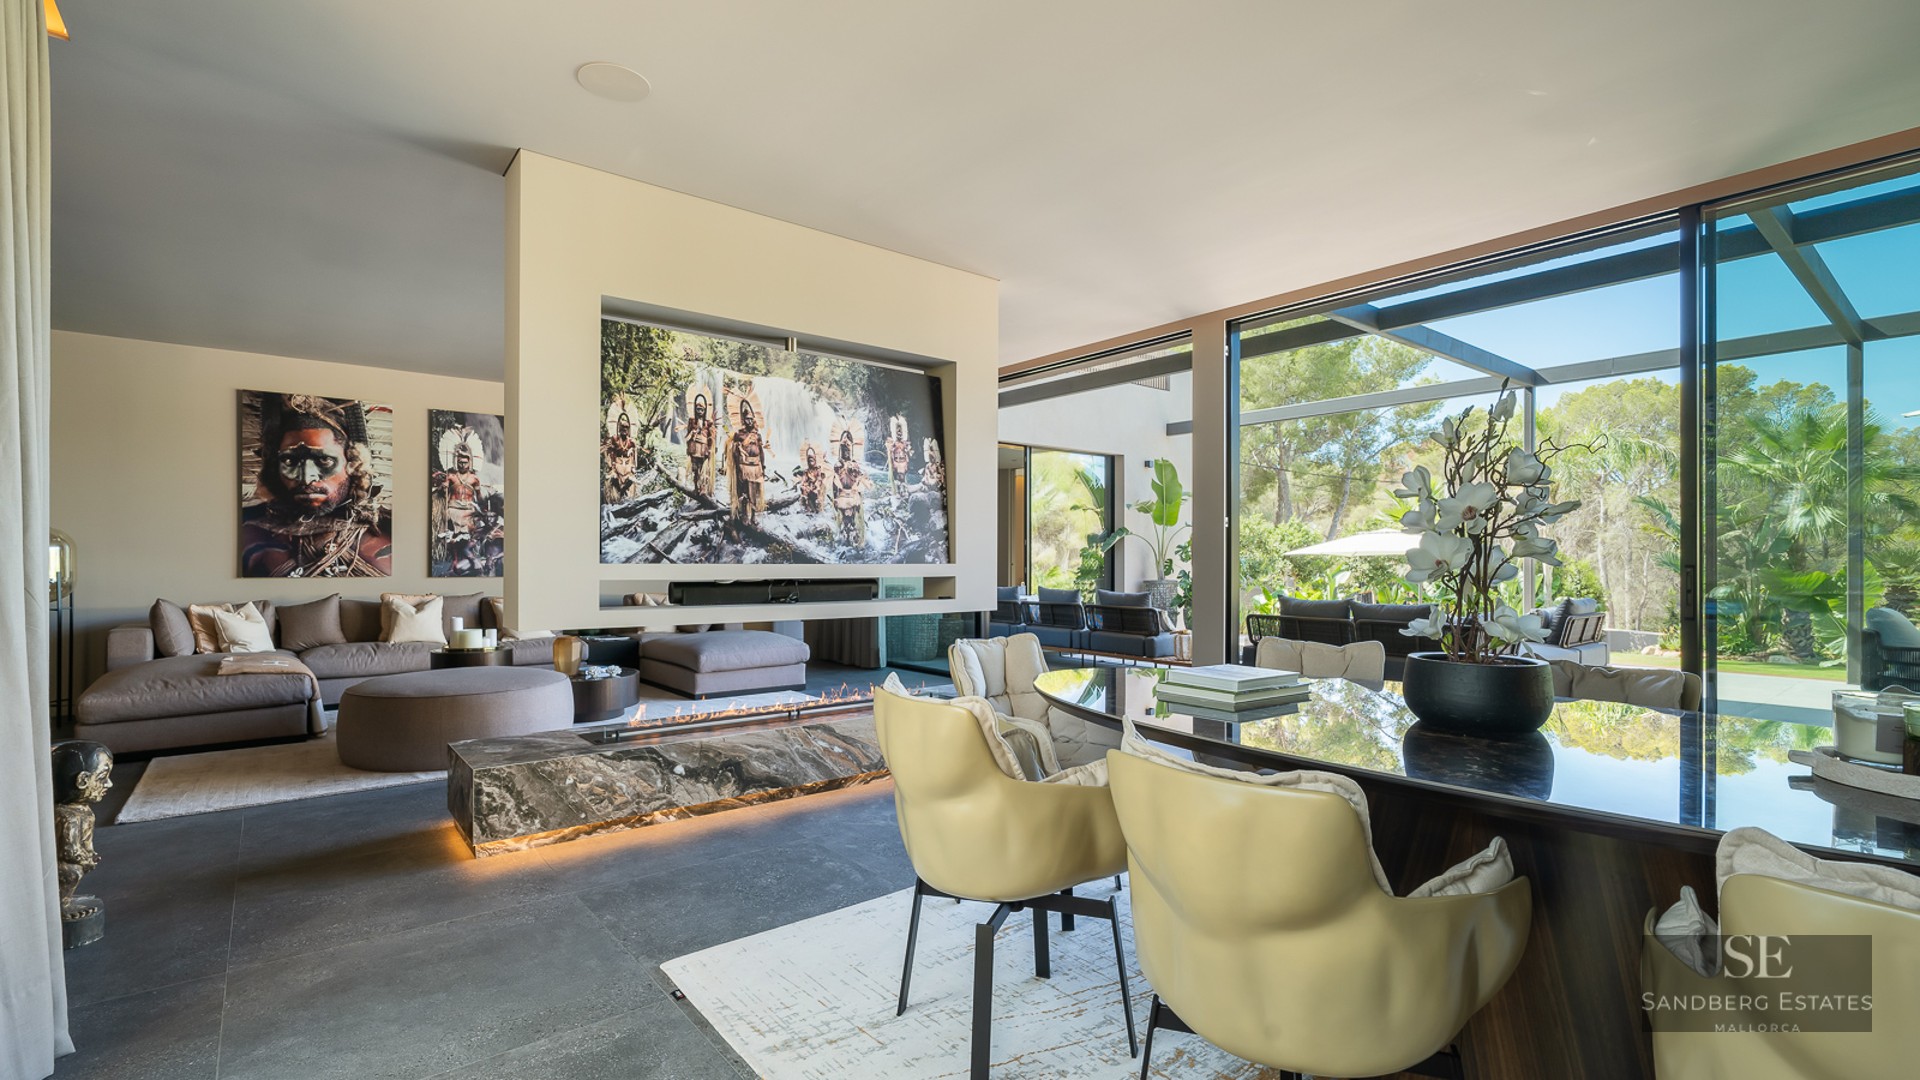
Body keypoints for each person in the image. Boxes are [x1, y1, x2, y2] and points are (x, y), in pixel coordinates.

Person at [239, 394, 392, 577]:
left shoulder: (390, 534)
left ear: (354, 464)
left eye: (324, 460)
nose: (306, 478)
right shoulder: (250, 538)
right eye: (290, 460)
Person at [431, 427, 501, 576]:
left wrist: (484, 507)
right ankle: (455, 561)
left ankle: (470, 559)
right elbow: (444, 490)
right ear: (456, 461)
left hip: (468, 510)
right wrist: (442, 488)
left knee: (469, 538)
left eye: (465, 462)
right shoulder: (451, 476)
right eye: (460, 462)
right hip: (452, 509)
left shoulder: (474, 479)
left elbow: (479, 496)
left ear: (470, 462)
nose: (463, 465)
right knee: (453, 539)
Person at [727, 398, 769, 525]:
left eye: (751, 419)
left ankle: (753, 517)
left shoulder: (757, 435)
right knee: (744, 491)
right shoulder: (739, 435)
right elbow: (734, 451)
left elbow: (761, 451)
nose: (749, 421)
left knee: (755, 492)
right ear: (743, 420)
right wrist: (737, 466)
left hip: (756, 467)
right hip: (744, 467)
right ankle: (744, 515)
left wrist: (763, 466)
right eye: (747, 419)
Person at [831, 429, 868, 546]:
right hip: (842, 496)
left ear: (851, 450)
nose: (846, 452)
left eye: (848, 449)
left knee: (852, 520)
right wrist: (835, 498)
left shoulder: (855, 466)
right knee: (844, 520)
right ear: (840, 450)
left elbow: (859, 482)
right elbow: (834, 484)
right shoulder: (838, 466)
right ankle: (843, 537)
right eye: (843, 449)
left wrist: (859, 498)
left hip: (852, 496)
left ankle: (855, 537)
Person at [682, 392, 717, 498]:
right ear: (695, 410)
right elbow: (687, 434)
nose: (700, 412)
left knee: (704, 469)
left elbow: (711, 437)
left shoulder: (708, 422)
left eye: (702, 410)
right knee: (695, 469)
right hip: (694, 448)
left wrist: (711, 448)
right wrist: (689, 446)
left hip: (703, 448)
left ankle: (703, 488)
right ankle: (696, 488)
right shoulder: (692, 421)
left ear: (705, 410)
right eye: (698, 410)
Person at [602, 410, 639, 506]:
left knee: (630, 479)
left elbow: (634, 454)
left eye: (626, 428)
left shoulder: (631, 442)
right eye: (622, 427)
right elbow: (608, 450)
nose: (624, 430)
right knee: (613, 477)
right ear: (619, 428)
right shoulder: (614, 439)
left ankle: (624, 493)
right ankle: (615, 495)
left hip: (627, 464)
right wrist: (610, 463)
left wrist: (634, 466)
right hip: (616, 463)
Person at [796, 443, 827, 514]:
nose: (811, 462)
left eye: (812, 461)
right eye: (809, 461)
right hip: (809, 486)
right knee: (804, 489)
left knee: (817, 491)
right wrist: (803, 484)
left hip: (816, 486)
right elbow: (804, 479)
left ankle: (818, 507)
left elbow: (819, 479)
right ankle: (807, 507)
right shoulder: (806, 471)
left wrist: (816, 485)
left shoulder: (818, 470)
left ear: (815, 460)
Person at [885, 415, 912, 490]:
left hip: (902, 461)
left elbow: (908, 451)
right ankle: (896, 488)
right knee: (897, 478)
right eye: (897, 430)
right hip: (897, 460)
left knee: (902, 477)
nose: (899, 432)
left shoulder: (905, 443)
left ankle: (903, 488)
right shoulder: (893, 443)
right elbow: (889, 447)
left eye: (900, 430)